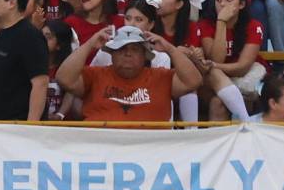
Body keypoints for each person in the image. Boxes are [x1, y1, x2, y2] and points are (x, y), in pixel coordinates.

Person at [58, 24, 216, 123]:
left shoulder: (161, 77)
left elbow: (194, 81)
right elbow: (63, 78)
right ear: (111, 54)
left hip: (150, 157)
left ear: (145, 56)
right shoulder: (95, 75)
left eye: (134, 49)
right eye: (121, 49)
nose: (128, 54)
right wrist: (90, 44)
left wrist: (169, 48)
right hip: (100, 154)